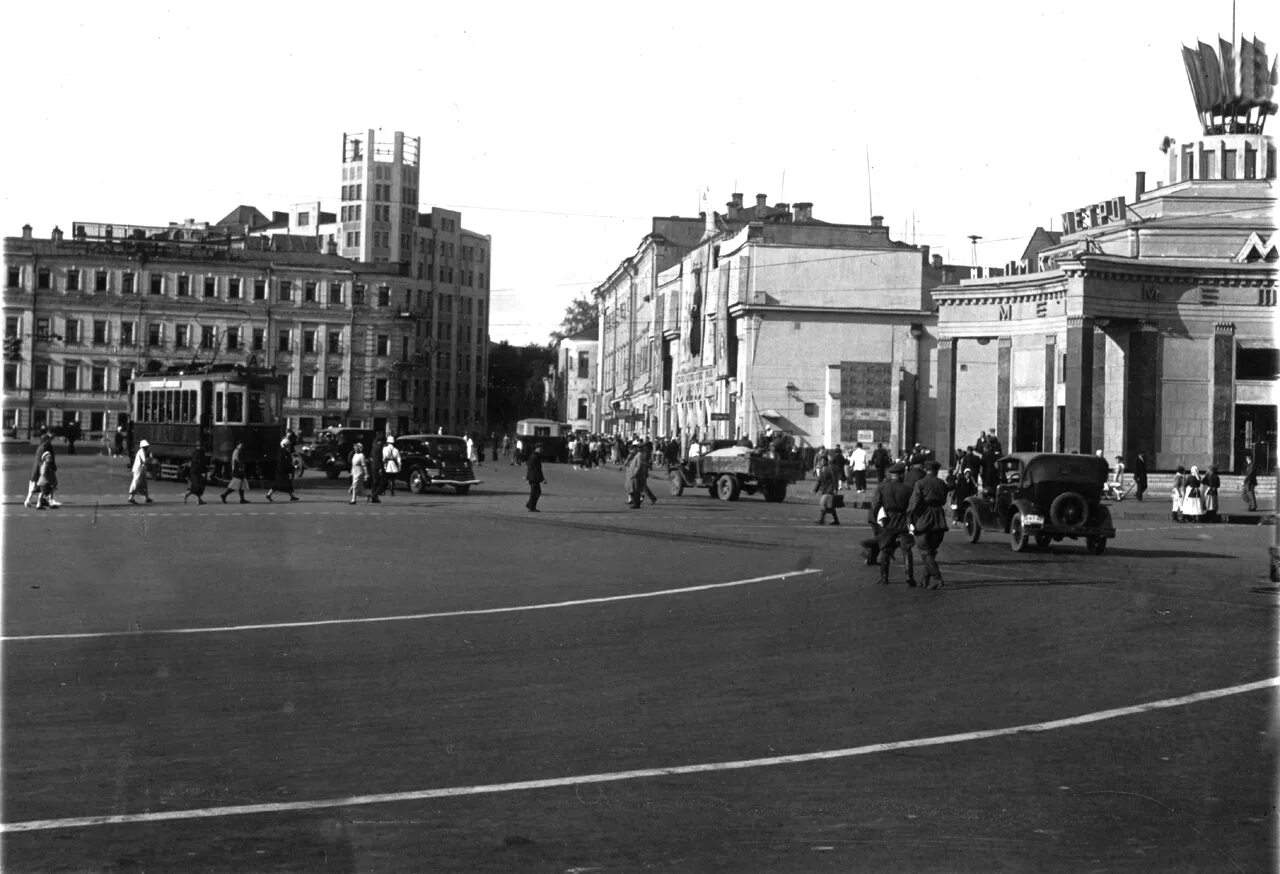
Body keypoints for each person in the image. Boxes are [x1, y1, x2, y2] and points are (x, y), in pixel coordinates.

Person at [907, 460, 951, 589]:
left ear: (925, 470)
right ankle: (925, 579)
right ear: (936, 471)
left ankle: (937, 578)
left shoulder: (920, 483)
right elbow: (943, 500)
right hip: (939, 519)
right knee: (931, 551)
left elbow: (914, 503)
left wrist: (910, 520)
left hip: (924, 518)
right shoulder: (942, 483)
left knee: (925, 551)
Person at [874, 462, 917, 586]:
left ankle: (884, 577)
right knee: (906, 550)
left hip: (888, 521)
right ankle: (909, 576)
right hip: (903, 520)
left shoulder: (882, 487)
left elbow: (875, 504)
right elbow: (912, 506)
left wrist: (880, 516)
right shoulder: (908, 489)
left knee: (886, 550)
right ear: (902, 474)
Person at [265, 434, 300, 502]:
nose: (289, 447)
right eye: (288, 445)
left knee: (286, 484)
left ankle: (291, 496)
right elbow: (285, 463)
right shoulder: (283, 453)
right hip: (282, 471)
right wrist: (291, 468)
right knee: (280, 484)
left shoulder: (283, 452)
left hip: (282, 471)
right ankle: (269, 495)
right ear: (285, 445)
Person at [25, 431, 54, 508]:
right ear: (45, 440)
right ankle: (37, 503)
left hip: (36, 471)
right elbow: (42, 461)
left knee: (34, 488)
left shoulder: (40, 447)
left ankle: (29, 501)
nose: (49, 440)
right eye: (48, 439)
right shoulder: (43, 448)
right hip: (39, 471)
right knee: (40, 487)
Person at [813, 455, 841, 525]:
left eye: (823, 461)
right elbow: (819, 481)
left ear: (826, 461)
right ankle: (836, 521)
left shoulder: (829, 468)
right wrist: (815, 489)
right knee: (830, 506)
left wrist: (835, 488)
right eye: (821, 461)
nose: (822, 462)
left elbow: (834, 479)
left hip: (829, 489)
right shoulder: (822, 469)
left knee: (822, 503)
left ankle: (822, 520)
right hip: (825, 490)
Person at [129, 439, 155, 504]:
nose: (147, 447)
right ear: (144, 447)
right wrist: (150, 458)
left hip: (141, 470)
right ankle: (131, 498)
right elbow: (145, 461)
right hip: (139, 470)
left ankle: (146, 498)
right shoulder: (141, 452)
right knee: (136, 483)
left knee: (143, 484)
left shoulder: (141, 451)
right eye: (146, 446)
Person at [525, 444, 546, 512]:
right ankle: (531, 506)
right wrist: (542, 479)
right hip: (534, 477)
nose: (541, 450)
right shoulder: (535, 456)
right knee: (535, 492)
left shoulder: (534, 455)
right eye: (540, 448)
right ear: (536, 448)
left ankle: (530, 505)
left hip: (533, 476)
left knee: (535, 492)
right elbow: (536, 469)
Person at [368, 434, 384, 503]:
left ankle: (374, 496)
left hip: (373, 466)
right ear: (380, 441)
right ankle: (374, 495)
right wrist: (380, 468)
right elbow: (379, 459)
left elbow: (370, 457)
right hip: (377, 467)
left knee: (375, 481)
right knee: (379, 482)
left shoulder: (374, 447)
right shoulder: (379, 448)